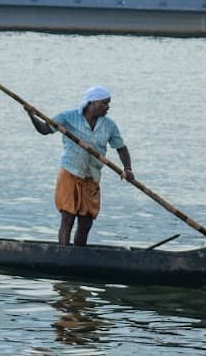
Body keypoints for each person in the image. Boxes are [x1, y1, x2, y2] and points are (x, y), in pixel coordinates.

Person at [27, 85, 133, 246]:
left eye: (108, 103)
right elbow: (45, 130)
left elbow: (121, 148)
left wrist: (127, 169)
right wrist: (32, 115)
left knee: (86, 220)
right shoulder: (67, 117)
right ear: (93, 103)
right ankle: (63, 254)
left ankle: (79, 255)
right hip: (70, 171)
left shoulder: (109, 125)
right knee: (68, 217)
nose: (108, 107)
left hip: (92, 175)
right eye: (104, 103)